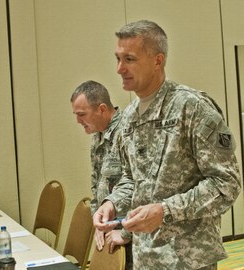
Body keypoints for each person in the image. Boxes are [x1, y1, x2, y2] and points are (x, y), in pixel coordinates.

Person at [93, 20, 241, 269]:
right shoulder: (129, 117)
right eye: (117, 58)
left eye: (129, 59)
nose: (119, 69)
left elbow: (227, 185)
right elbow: (132, 179)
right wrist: (112, 203)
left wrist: (165, 210)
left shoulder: (192, 108)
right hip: (146, 258)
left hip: (188, 260)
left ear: (157, 60)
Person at [71, 80, 132, 269]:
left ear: (102, 109)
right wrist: (97, 221)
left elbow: (141, 187)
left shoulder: (128, 132)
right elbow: (96, 183)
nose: (78, 121)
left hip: (131, 232)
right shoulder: (97, 135)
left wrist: (127, 232)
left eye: (82, 114)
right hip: (109, 230)